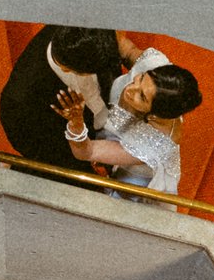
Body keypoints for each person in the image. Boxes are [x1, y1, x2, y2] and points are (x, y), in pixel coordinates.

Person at [55, 48, 203, 194]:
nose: (131, 88)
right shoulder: (154, 65)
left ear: (153, 116)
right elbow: (128, 50)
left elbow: (87, 152)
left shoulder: (149, 147)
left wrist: (76, 123)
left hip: (131, 176)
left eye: (142, 96)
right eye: (142, 77)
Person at [0, 24, 126, 170]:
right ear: (66, 68)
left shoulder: (93, 30)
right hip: (65, 142)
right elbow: (39, 149)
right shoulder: (19, 101)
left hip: (112, 120)